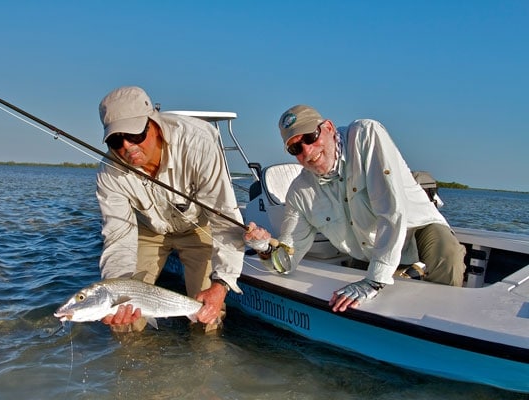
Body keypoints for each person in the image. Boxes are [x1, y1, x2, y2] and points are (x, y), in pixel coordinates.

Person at [244, 104, 466, 313]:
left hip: (416, 228)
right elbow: (287, 261)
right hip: (369, 247)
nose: (307, 151)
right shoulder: (300, 192)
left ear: (329, 128)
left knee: (448, 252)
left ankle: (447, 321)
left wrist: (374, 280)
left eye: (310, 137)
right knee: (351, 294)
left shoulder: (365, 135)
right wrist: (265, 248)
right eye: (295, 148)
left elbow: (393, 212)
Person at [96, 86, 244, 332]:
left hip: (198, 227)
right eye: (115, 140)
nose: (126, 146)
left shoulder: (199, 143)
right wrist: (117, 291)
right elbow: (118, 237)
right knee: (123, 322)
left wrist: (221, 285)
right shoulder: (109, 172)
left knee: (208, 316)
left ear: (153, 122)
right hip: (149, 230)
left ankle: (204, 366)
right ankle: (132, 367)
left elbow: (225, 220)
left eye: (134, 135)